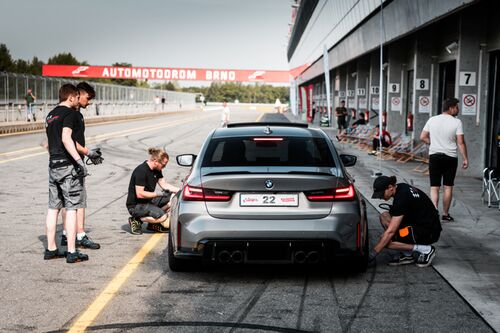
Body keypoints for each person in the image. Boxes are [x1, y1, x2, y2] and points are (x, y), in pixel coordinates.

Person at [44, 84, 89, 263]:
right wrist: (79, 161)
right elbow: (66, 138)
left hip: (53, 165)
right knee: (71, 207)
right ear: (71, 97)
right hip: (68, 166)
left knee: (53, 208)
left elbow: (48, 143)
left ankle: (51, 248)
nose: (78, 100)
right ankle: (71, 251)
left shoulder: (50, 115)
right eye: (77, 97)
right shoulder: (69, 114)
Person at [60, 82, 102, 250]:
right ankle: (80, 235)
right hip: (73, 163)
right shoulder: (72, 115)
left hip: (66, 162)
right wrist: (87, 152)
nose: (89, 102)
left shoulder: (68, 113)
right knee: (79, 201)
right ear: (79, 94)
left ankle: (65, 234)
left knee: (66, 200)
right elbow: (69, 139)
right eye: (88, 97)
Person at [369, 175, 442, 267]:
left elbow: (390, 231)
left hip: (429, 232)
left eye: (381, 194)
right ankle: (407, 254)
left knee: (386, 241)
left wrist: (372, 254)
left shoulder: (402, 197)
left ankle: (426, 249)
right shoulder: (401, 187)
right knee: (384, 216)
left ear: (390, 187)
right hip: (421, 224)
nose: (380, 197)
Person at [420, 97, 469, 222]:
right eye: (457, 107)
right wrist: (465, 158)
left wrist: (433, 142)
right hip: (450, 157)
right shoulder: (457, 122)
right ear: (451, 108)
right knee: (448, 187)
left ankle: (434, 211)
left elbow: (423, 137)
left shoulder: (432, 120)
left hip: (435, 156)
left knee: (434, 187)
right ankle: (445, 214)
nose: (458, 110)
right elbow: (461, 142)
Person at [126, 148, 179, 235]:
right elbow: (140, 194)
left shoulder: (157, 170)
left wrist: (181, 190)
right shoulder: (141, 171)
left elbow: (164, 184)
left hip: (148, 201)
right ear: (155, 161)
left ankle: (152, 224)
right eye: (163, 165)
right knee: (163, 217)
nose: (164, 167)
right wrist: (159, 194)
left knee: (173, 198)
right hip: (136, 205)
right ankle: (136, 219)